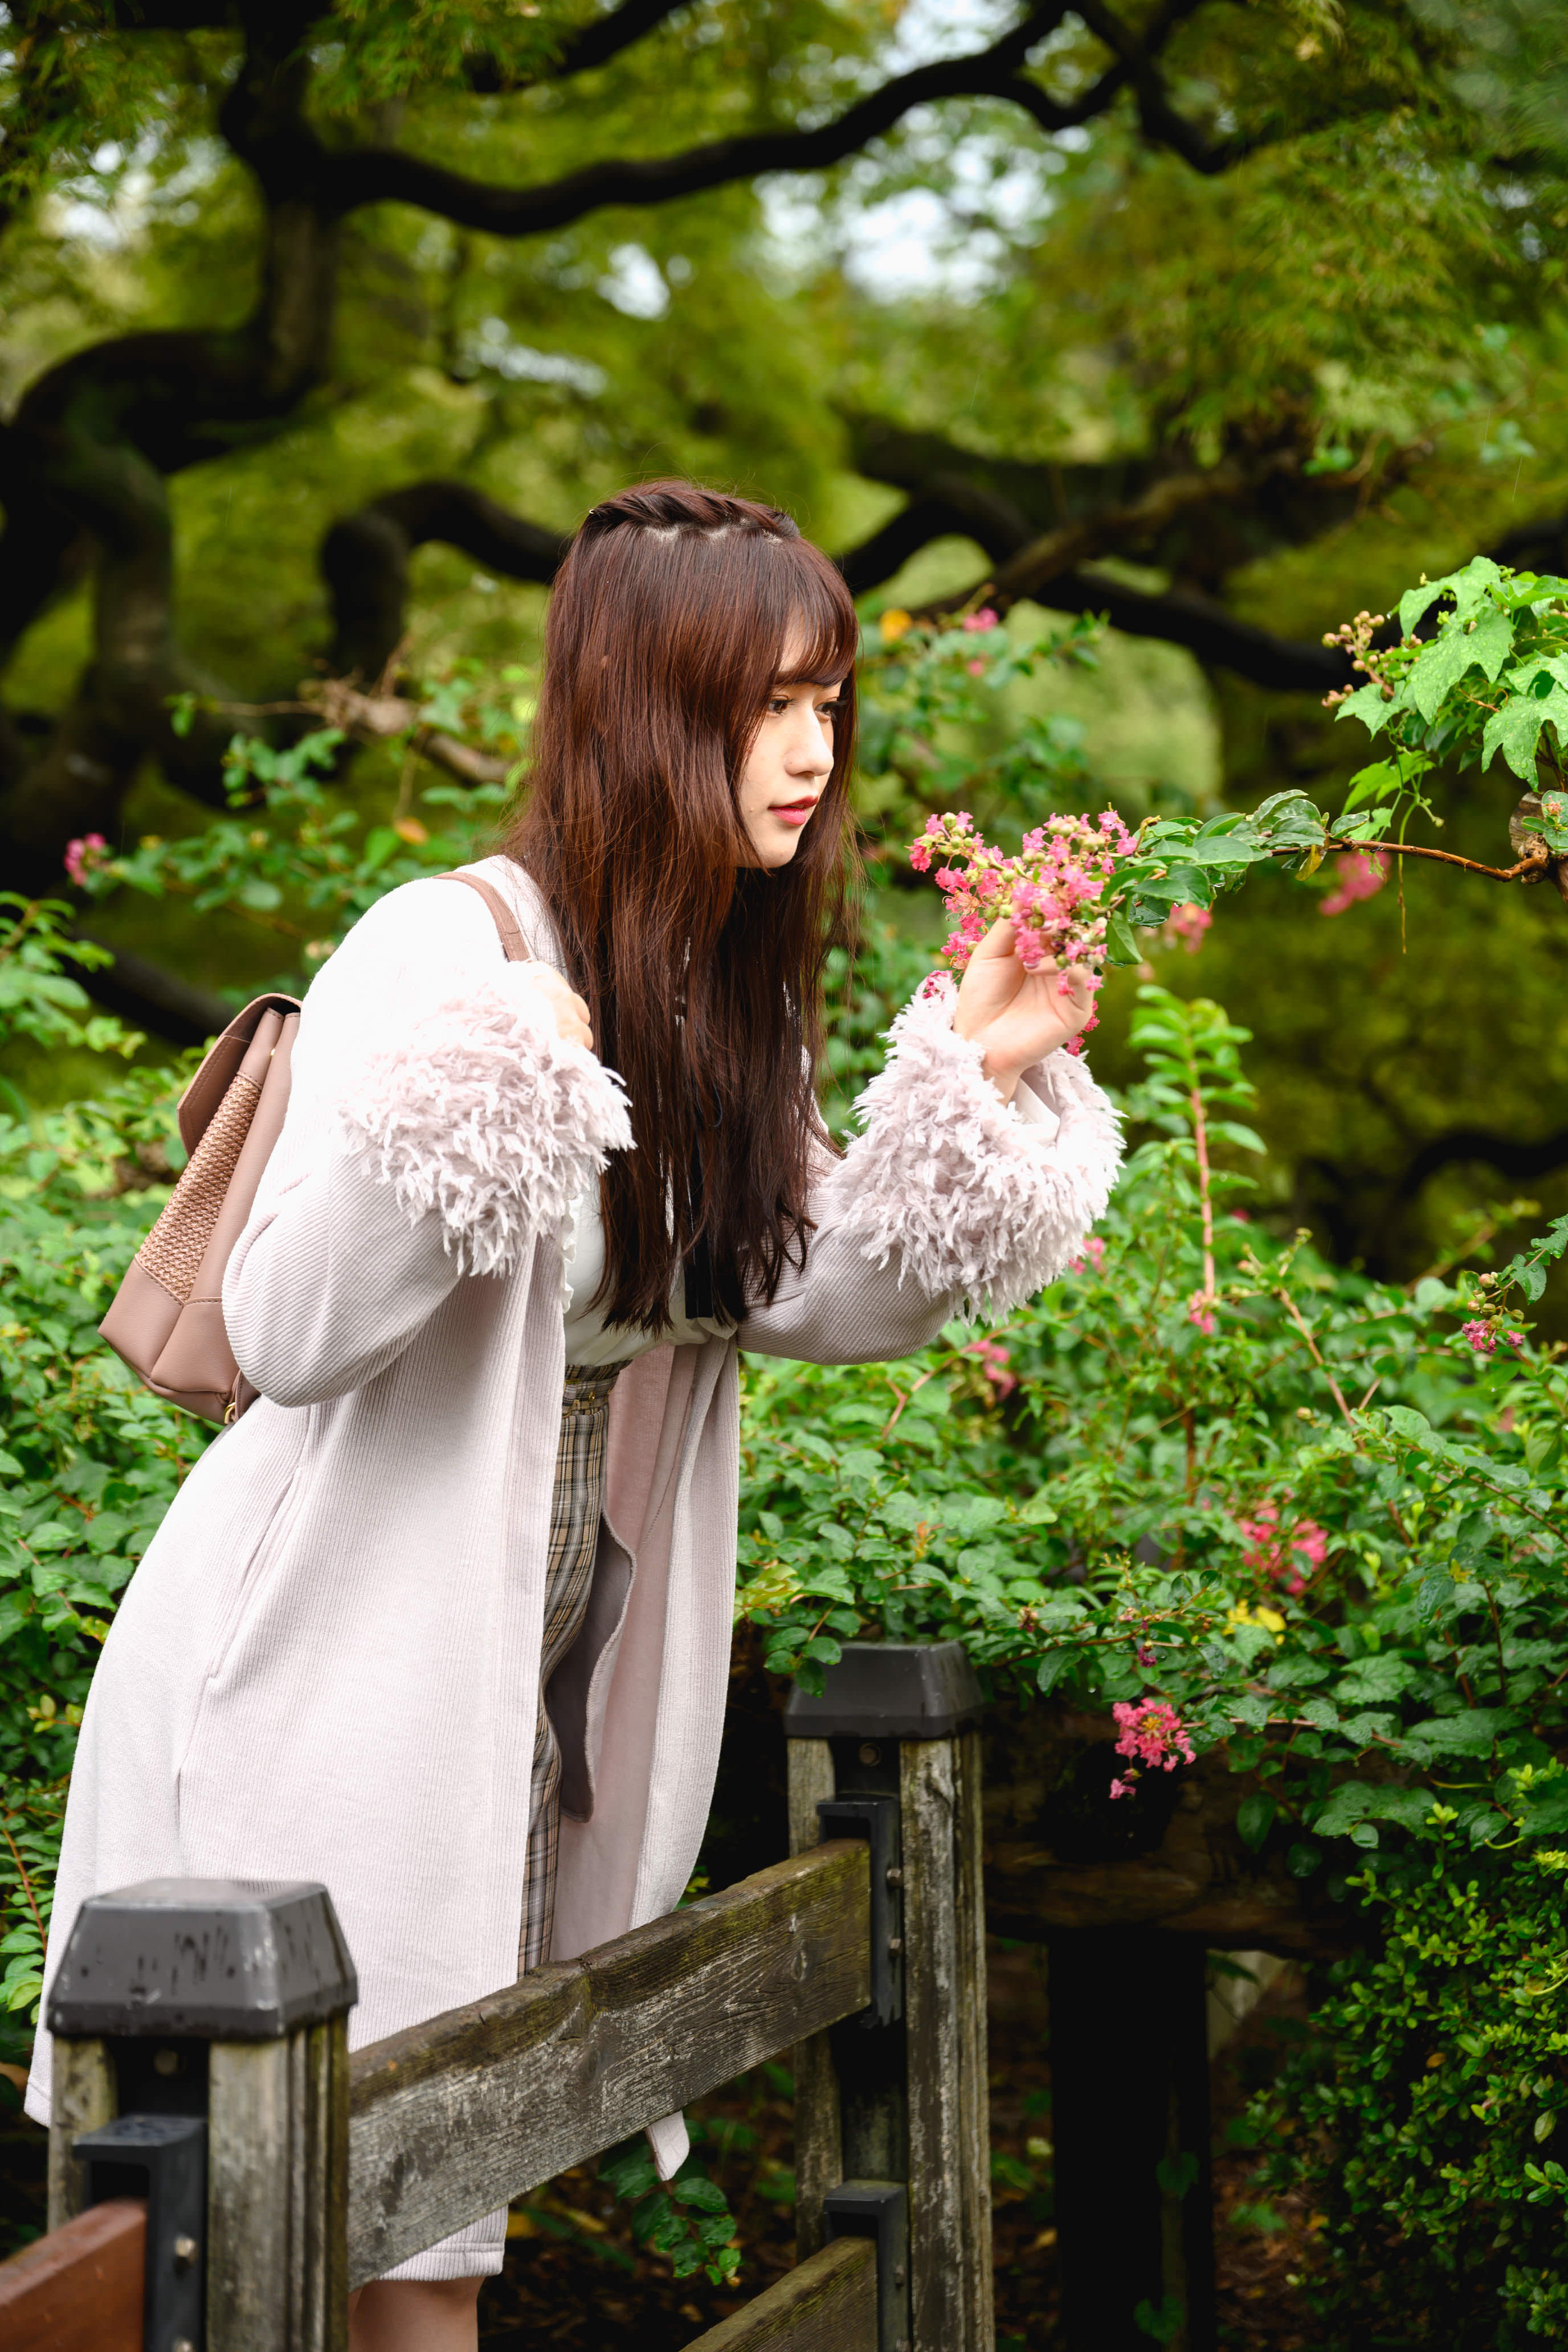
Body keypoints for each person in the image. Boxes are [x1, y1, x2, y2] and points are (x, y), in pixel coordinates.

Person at [28, 480, 1120, 2350]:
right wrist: (493, 1075)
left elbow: (811, 1289)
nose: (812, 750)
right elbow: (291, 1326)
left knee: (433, 2212)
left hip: (517, 1694)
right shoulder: (445, 948)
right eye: (765, 704)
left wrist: (978, 1070)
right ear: (644, 707)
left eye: (828, 701)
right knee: (291, 2237)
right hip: (315, 1669)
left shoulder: (711, 989)